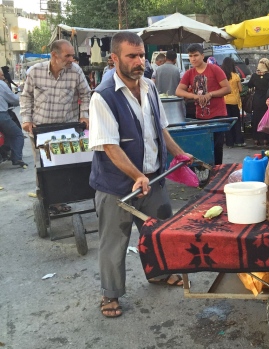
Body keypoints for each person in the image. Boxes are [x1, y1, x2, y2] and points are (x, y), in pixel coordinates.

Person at [89, 32, 193, 318]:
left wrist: (180, 154)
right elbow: (109, 145)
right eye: (131, 57)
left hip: (153, 177)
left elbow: (161, 129)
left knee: (157, 233)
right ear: (114, 58)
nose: (139, 62)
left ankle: (158, 274)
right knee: (114, 242)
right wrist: (136, 175)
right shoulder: (103, 95)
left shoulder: (148, 86)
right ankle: (110, 295)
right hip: (116, 184)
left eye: (142, 56)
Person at [20, 39, 91, 214]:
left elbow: (86, 93)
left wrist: (84, 115)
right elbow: (26, 96)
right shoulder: (35, 72)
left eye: (72, 55)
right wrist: (26, 119)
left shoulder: (75, 72)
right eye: (68, 55)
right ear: (54, 55)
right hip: (41, 129)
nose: (72, 59)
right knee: (44, 167)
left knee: (66, 165)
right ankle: (49, 199)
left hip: (67, 129)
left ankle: (64, 197)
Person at [175, 44, 231, 165]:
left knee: (217, 147)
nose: (193, 59)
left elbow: (227, 88)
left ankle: (217, 172)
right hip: (200, 116)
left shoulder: (215, 69)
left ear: (202, 56)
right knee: (202, 147)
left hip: (218, 115)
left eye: (196, 55)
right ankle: (205, 172)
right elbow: (179, 91)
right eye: (190, 56)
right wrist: (194, 96)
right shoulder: (189, 73)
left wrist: (210, 94)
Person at [0, 69, 25, 167]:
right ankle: (17, 158)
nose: (4, 77)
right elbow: (13, 99)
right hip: (2, 115)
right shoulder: (1, 84)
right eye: (2, 75)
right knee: (17, 134)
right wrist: (23, 99)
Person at [247, 59, 269, 146]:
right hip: (266, 100)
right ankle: (265, 139)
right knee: (265, 119)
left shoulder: (255, 76)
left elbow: (249, 84)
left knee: (256, 119)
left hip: (256, 100)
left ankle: (256, 139)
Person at [222, 57, 245, 148]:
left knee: (228, 122)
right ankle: (238, 141)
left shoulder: (222, 76)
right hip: (234, 101)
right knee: (236, 122)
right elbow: (240, 89)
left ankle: (229, 143)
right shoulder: (236, 76)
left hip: (224, 101)